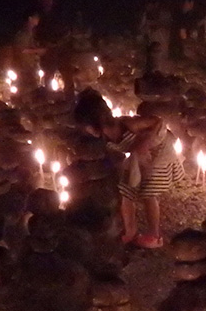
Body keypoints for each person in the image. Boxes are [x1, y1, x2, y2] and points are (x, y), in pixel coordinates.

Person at [73, 89, 184, 248]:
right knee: (126, 191)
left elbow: (158, 122)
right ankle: (131, 231)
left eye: (86, 127)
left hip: (158, 152)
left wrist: (144, 143)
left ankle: (155, 236)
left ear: (93, 125)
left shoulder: (128, 124)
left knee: (148, 192)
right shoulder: (107, 138)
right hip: (138, 156)